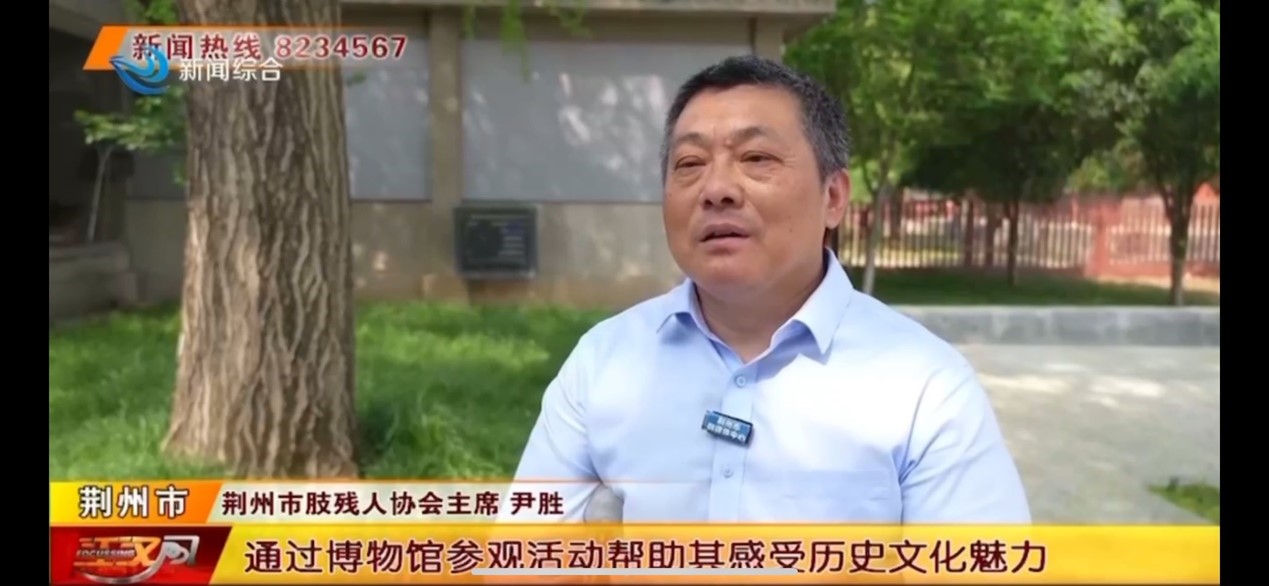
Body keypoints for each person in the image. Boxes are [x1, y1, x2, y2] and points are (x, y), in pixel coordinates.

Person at [509, 55, 1030, 524]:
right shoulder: (604, 361)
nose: (716, 190)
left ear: (833, 197)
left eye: (756, 158)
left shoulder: (925, 388)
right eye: (690, 164)